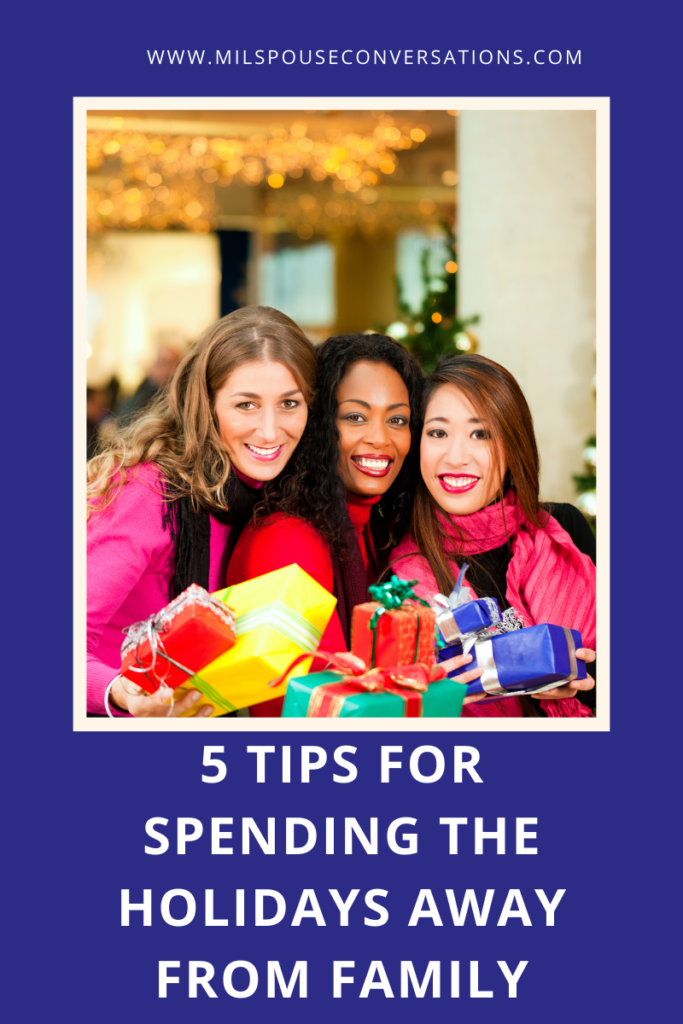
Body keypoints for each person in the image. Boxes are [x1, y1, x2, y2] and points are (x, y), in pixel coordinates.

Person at [227, 332, 485, 715]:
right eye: (355, 417)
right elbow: (314, 709)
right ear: (316, 424)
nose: (380, 438)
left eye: (397, 419)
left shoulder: (372, 530)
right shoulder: (286, 541)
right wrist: (434, 688)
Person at [87, 306, 317, 718]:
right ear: (206, 406)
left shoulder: (274, 494)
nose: (269, 430)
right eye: (246, 405)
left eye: (289, 404)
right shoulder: (148, 493)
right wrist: (120, 691)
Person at [390, 353, 596, 719]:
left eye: (481, 434)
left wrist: (583, 676)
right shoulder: (400, 580)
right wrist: (440, 700)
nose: (456, 457)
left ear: (513, 445)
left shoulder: (564, 530)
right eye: (438, 432)